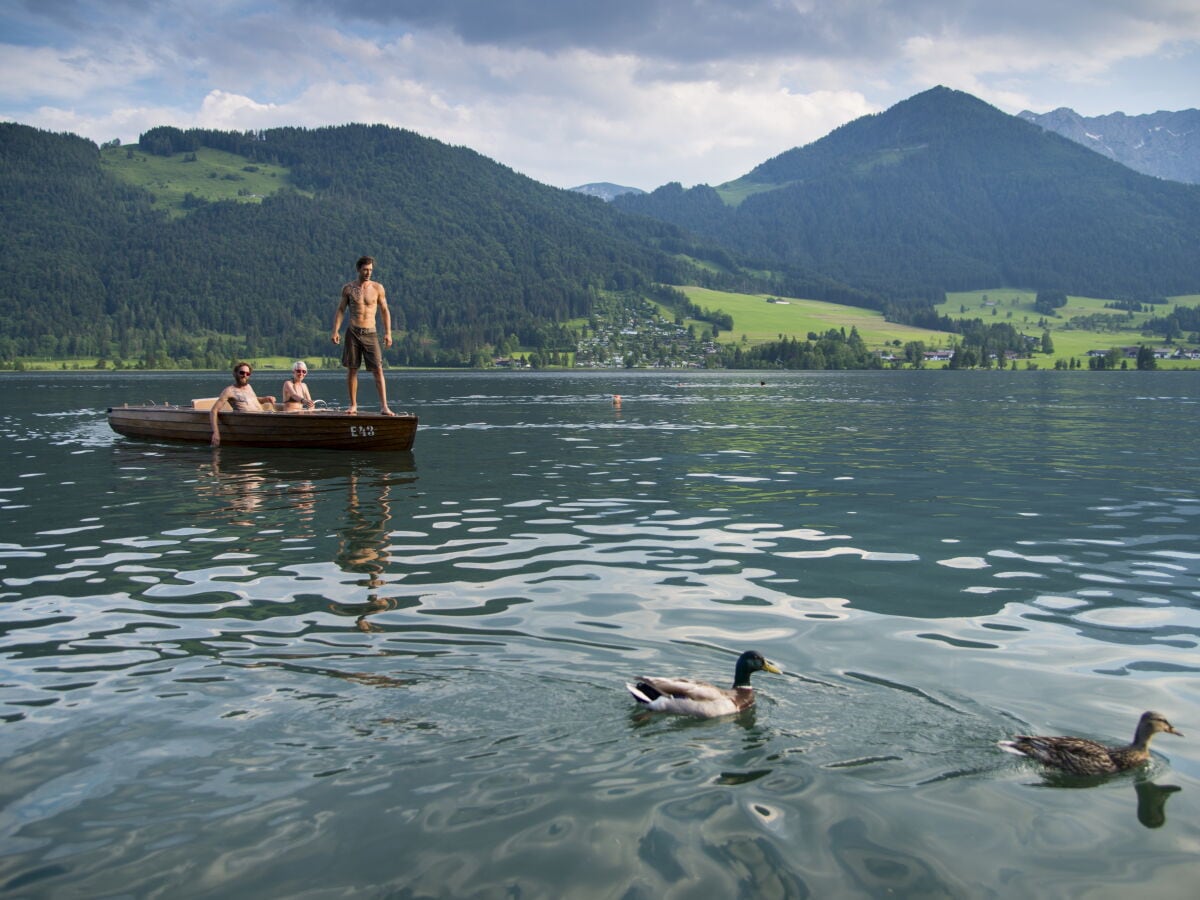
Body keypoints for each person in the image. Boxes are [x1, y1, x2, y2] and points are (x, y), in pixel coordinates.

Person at [332, 256, 394, 415]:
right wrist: (335, 330)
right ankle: (353, 405)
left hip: (371, 332)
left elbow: (385, 310)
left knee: (378, 369)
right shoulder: (348, 288)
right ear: (358, 269)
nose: (368, 273)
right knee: (352, 369)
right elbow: (340, 310)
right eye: (365, 269)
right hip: (353, 332)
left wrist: (388, 333)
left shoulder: (378, 288)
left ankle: (384, 406)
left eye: (371, 270)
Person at [209, 362, 274, 447]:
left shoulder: (249, 387)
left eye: (248, 373)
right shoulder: (229, 391)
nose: (245, 375)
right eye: (242, 373)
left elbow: (254, 400)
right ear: (235, 373)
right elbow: (214, 410)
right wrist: (216, 433)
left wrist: (265, 399)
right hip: (248, 423)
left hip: (261, 419)